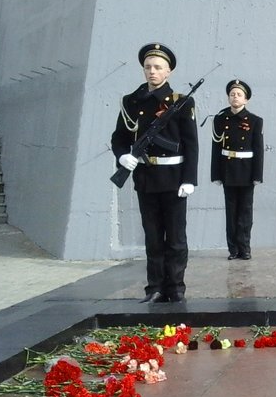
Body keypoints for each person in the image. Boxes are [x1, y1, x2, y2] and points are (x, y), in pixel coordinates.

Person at [111, 43, 198, 303]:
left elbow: (191, 144)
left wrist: (189, 179)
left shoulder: (182, 102)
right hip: (146, 178)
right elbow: (119, 138)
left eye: (158, 67)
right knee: (152, 237)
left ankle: (176, 288)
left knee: (176, 238)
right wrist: (122, 155)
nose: (152, 72)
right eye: (148, 67)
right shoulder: (131, 102)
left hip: (174, 180)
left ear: (168, 71)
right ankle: (155, 288)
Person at [211, 79, 264, 260]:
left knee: (245, 212)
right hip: (228, 169)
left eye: (239, 94)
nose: (235, 97)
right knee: (231, 211)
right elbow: (216, 148)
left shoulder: (255, 121)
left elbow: (258, 150)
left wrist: (257, 175)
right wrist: (216, 174)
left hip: (247, 171)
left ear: (246, 100)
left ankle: (245, 248)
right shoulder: (220, 119)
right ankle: (232, 250)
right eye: (232, 94)